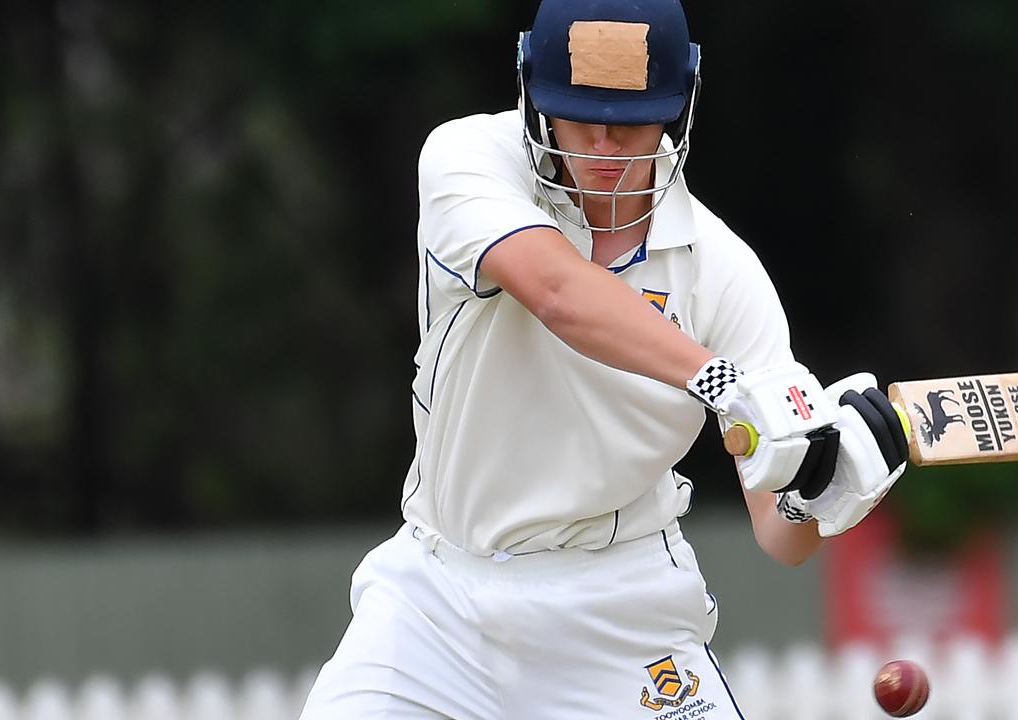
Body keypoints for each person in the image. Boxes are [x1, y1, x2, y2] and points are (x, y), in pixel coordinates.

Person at [299, 0, 909, 717]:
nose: (603, 148)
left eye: (629, 123)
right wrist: (724, 381)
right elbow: (558, 291)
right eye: (579, 116)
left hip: (621, 609)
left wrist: (814, 487)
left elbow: (781, 538)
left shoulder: (724, 272)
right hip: (436, 597)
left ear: (680, 108)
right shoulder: (468, 159)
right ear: (530, 93)